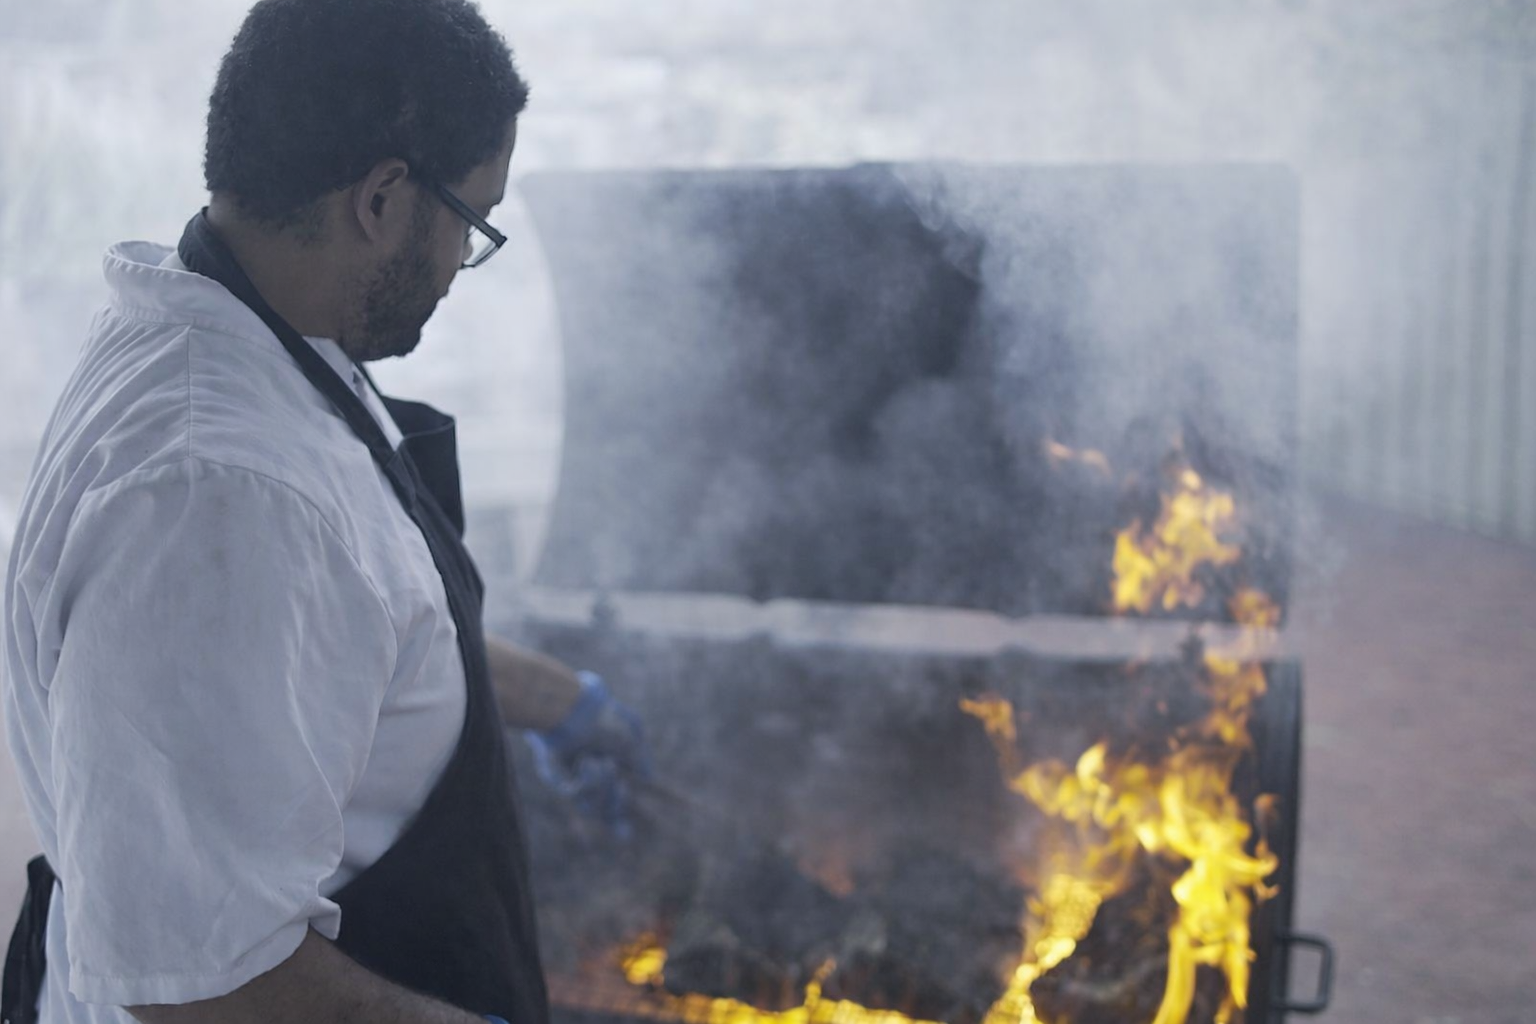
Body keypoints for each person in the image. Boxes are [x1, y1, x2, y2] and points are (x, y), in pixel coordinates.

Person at [0, 2, 646, 1022]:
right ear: (385, 198)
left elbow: (355, 615)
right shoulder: (217, 500)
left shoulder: (246, 316)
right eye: (471, 226)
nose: (457, 270)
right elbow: (207, 981)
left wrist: (558, 698)